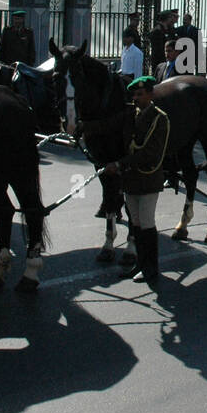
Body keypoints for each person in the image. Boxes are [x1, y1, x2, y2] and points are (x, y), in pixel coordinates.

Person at [82, 76, 170, 285]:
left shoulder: (160, 119)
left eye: (141, 94)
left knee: (147, 223)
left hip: (147, 178)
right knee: (136, 223)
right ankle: (139, 264)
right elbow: (107, 125)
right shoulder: (131, 114)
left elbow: (150, 153)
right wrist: (84, 127)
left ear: (151, 94)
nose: (136, 98)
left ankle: (151, 268)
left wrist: (119, 164)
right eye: (134, 95)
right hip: (131, 180)